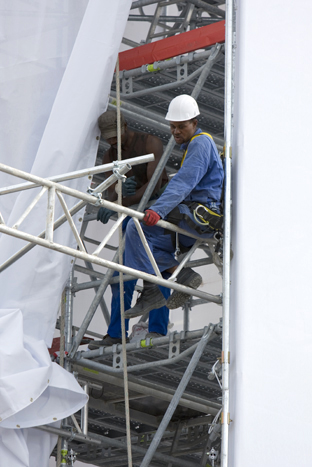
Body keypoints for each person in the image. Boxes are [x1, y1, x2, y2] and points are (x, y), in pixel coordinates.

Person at [122, 94, 224, 319]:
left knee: (135, 228)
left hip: (198, 216)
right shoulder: (196, 144)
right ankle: (182, 274)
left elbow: (185, 181)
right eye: (172, 126)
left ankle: (154, 290)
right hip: (193, 218)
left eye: (181, 126)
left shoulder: (201, 142)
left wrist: (157, 210)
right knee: (147, 246)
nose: (176, 131)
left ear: (194, 123)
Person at [89, 109, 170, 349]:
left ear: (125, 125)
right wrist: (116, 197)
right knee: (121, 277)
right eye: (110, 138)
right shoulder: (109, 156)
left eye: (117, 135)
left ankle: (157, 329)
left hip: (155, 216)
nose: (114, 142)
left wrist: (123, 198)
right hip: (132, 219)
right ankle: (116, 332)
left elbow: (154, 186)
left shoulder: (149, 142)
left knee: (159, 272)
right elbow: (110, 191)